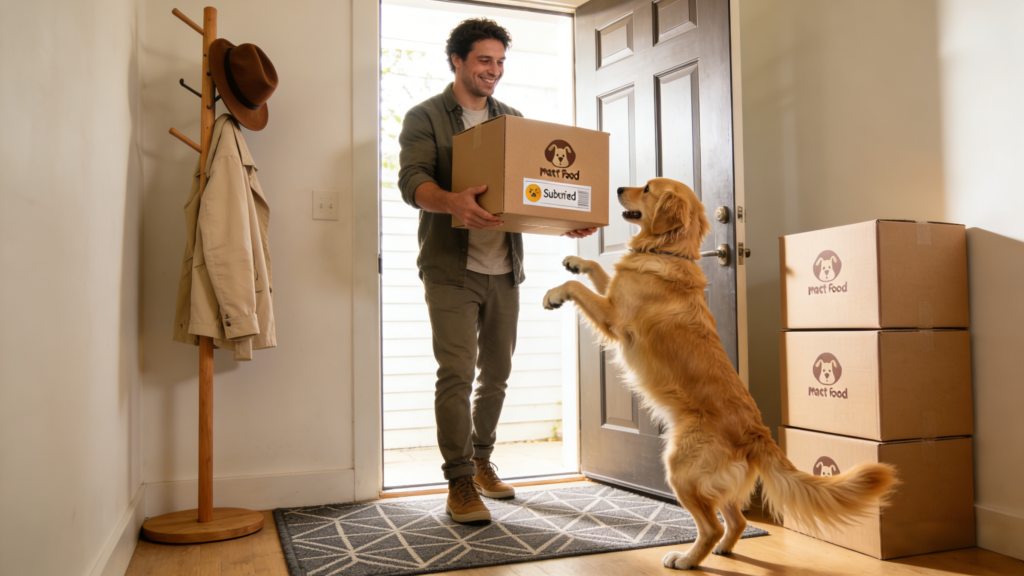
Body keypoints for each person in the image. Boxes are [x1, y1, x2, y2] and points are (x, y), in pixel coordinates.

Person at [398, 18, 596, 523]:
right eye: (485, 60)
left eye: (501, 61)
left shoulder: (511, 119)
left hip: (504, 267)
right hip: (451, 268)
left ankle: (483, 460)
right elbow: (412, 182)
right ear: (458, 61)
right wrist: (451, 203)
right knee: (457, 373)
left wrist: (565, 220)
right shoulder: (426, 117)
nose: (495, 70)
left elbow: (532, 189)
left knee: (498, 373)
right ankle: (459, 480)